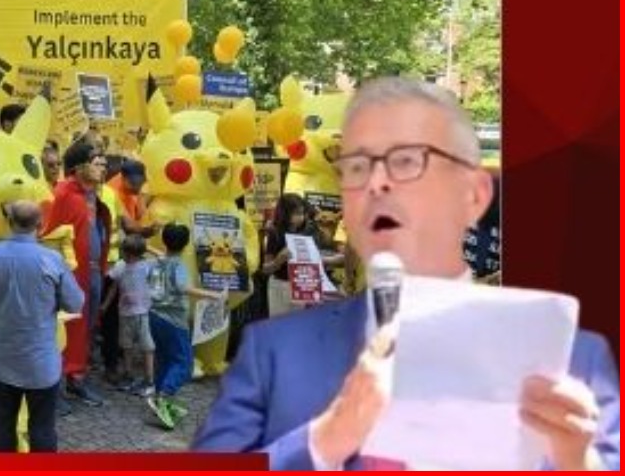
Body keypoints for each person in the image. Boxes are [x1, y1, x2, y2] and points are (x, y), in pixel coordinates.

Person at [194, 77, 620, 470]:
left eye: (408, 162)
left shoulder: (577, 361)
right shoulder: (272, 352)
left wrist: (578, 461)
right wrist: (326, 438)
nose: (377, 184)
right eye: (357, 166)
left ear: (474, 194)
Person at [0, 200, 84, 453]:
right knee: (43, 428)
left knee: (3, 427)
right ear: (40, 225)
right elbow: (75, 303)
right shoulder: (52, 259)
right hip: (41, 364)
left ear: (9, 222)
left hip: (3, 361)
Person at [41, 139, 111, 407]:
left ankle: (76, 378)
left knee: (86, 327)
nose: (102, 166)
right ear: (79, 166)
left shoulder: (93, 195)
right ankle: (54, 385)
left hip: (93, 272)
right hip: (70, 275)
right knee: (65, 327)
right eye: (96, 161)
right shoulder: (62, 193)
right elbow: (47, 234)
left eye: (103, 161)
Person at [147, 223, 227, 430]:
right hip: (174, 321)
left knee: (164, 359)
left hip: (154, 316)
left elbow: (161, 260)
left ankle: (158, 395)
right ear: (186, 245)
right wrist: (214, 295)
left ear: (164, 241)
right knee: (184, 363)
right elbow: (184, 287)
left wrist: (149, 247)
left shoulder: (158, 262)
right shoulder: (179, 266)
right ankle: (164, 397)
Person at [102, 233, 156, 397]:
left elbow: (162, 259)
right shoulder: (120, 266)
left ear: (133, 254)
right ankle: (129, 375)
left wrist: (148, 248)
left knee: (147, 347)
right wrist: (105, 305)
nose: (123, 255)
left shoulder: (146, 266)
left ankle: (149, 380)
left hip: (142, 314)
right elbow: (114, 287)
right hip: (124, 314)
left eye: (125, 252)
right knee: (126, 346)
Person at [262, 193, 317, 318]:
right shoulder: (275, 233)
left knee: (296, 324)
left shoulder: (307, 232)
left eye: (302, 213)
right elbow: (266, 269)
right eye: (297, 213)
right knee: (278, 325)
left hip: (300, 284)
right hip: (280, 285)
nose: (301, 217)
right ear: (285, 213)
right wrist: (278, 260)